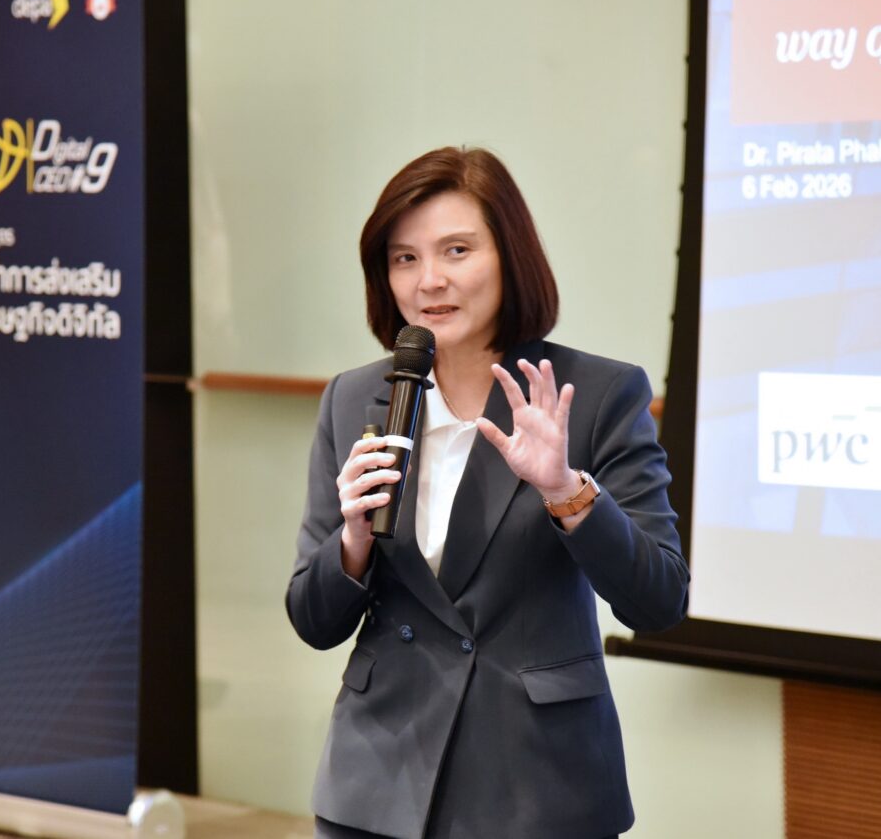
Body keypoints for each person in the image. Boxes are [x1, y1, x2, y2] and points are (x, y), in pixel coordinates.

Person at [285, 147, 690, 839]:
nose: (429, 280)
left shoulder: (595, 395)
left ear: (511, 256)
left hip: (537, 787)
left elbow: (659, 600)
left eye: (457, 250)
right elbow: (313, 619)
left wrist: (566, 491)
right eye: (405, 258)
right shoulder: (355, 398)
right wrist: (351, 541)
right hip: (376, 783)